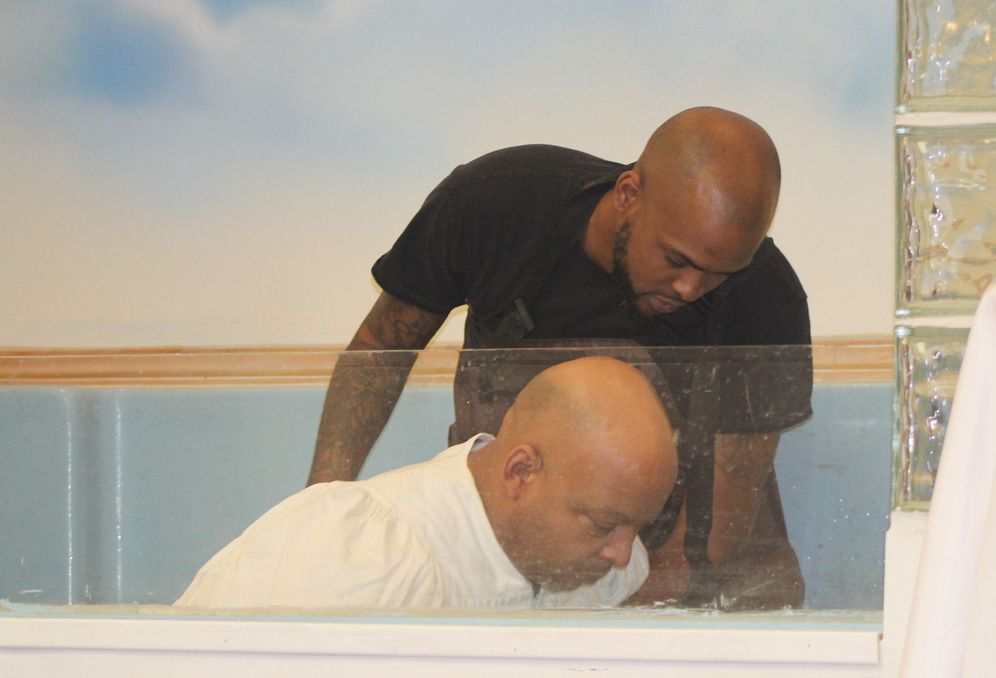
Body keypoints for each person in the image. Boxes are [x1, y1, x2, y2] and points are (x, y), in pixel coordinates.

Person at [307, 107, 814, 609]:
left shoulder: (765, 296)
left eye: (719, 274)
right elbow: (381, 348)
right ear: (629, 194)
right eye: (675, 259)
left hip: (696, 589)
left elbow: (710, 533)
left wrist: (610, 628)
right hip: (514, 565)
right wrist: (322, 508)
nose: (690, 288)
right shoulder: (494, 208)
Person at [177, 357, 677, 609]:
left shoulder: (608, 565)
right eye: (604, 525)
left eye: (637, 526)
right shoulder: (359, 558)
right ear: (521, 472)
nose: (623, 554)